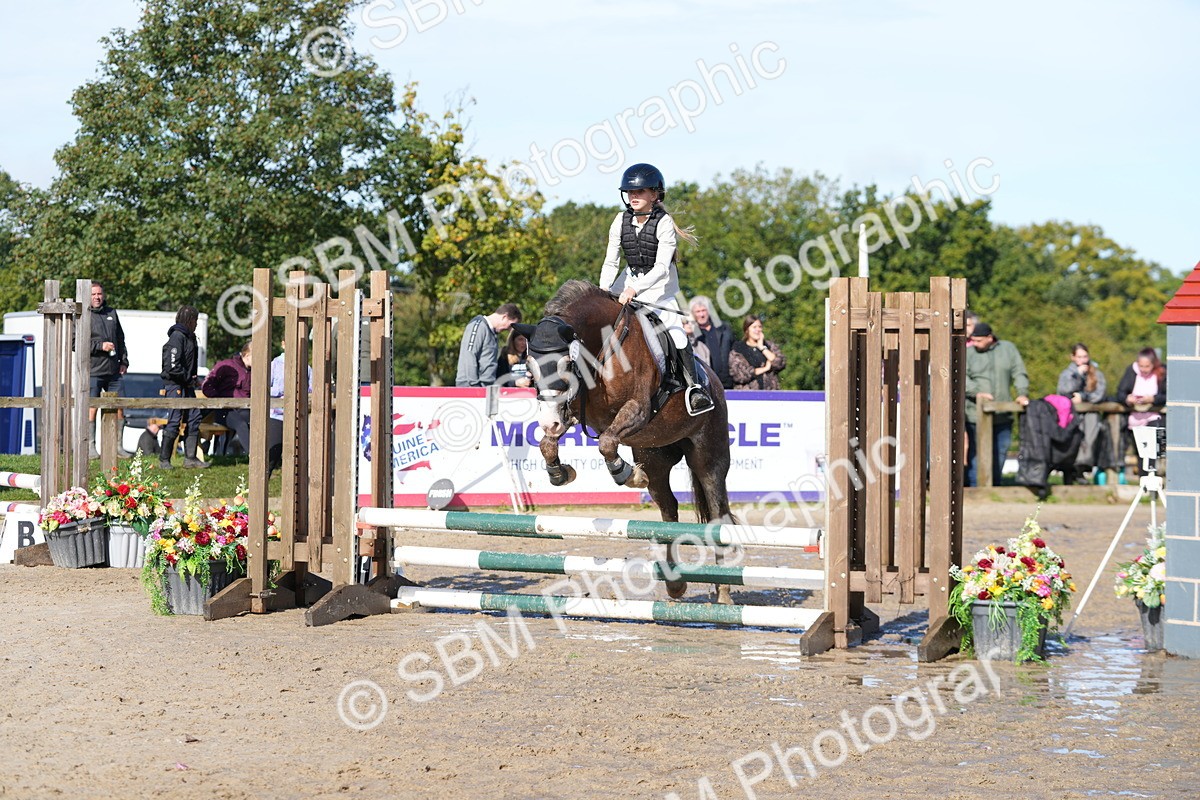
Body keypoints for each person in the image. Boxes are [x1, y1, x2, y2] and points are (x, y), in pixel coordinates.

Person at [600, 163, 712, 416]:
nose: (634, 197)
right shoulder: (619, 220)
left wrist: (635, 290)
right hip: (627, 281)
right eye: (630, 192)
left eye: (640, 192)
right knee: (600, 325)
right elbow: (611, 261)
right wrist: (603, 290)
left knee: (678, 335)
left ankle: (694, 389)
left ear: (655, 195)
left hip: (659, 289)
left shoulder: (663, 222)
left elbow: (662, 267)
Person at [965, 322, 1029, 486]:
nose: (975, 344)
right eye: (973, 340)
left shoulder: (1008, 349)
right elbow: (961, 377)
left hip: (1002, 414)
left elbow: (1019, 372)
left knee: (1000, 452)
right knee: (977, 452)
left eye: (979, 340)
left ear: (989, 338)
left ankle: (995, 486)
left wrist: (1022, 393)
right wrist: (976, 392)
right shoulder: (969, 353)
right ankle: (976, 487)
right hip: (975, 414)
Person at [1056, 343, 1113, 483]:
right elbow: (1064, 391)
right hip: (1070, 415)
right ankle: (1070, 472)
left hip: (1090, 414)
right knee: (1072, 441)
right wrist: (1078, 376)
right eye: (1079, 357)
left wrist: (1083, 397)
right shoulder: (1067, 374)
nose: (1083, 360)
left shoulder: (1096, 373)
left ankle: (1081, 468)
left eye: (1085, 356)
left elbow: (1099, 394)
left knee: (1089, 439)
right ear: (1073, 357)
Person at [159, 305, 208, 469]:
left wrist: (193, 379)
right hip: (175, 385)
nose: (196, 324)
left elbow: (189, 363)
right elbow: (171, 366)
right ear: (190, 320)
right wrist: (188, 377)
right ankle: (164, 460)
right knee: (174, 421)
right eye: (195, 320)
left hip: (187, 385)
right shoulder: (177, 337)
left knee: (194, 419)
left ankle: (190, 458)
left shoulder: (190, 337)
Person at [88, 282, 132, 459]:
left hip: (114, 370)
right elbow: (76, 343)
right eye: (93, 294)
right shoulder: (83, 315)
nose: (97, 297)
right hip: (93, 370)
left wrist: (124, 361)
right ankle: (90, 447)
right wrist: (100, 346)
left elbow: (121, 338)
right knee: (92, 408)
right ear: (87, 296)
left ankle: (118, 447)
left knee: (119, 406)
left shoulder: (111, 313)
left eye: (99, 294)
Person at [1117, 347, 1167, 474]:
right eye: (1141, 366)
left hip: (1155, 418)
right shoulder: (1131, 371)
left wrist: (1153, 399)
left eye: (1147, 366)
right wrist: (1128, 399)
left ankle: (1156, 484)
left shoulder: (1161, 372)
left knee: (1155, 452)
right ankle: (1144, 484)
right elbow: (1120, 393)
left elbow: (1168, 395)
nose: (1144, 369)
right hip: (1135, 420)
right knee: (1140, 454)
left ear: (1153, 364)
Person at [201, 342, 252, 454]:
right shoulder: (227, 366)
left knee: (259, 421)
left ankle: (270, 457)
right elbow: (207, 385)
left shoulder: (254, 372)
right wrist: (219, 399)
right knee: (241, 425)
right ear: (247, 355)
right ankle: (255, 458)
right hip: (224, 410)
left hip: (244, 409)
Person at [455, 304, 521, 387]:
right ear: (504, 317)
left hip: (487, 386)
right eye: (510, 325)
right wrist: (475, 386)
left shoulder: (493, 333)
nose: (509, 330)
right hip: (471, 386)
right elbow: (469, 356)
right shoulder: (478, 325)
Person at [727, 315, 786, 390]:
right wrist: (765, 368)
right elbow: (740, 375)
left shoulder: (769, 346)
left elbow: (780, 363)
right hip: (747, 395)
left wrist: (762, 348)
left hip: (770, 394)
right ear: (747, 329)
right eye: (754, 327)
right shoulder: (738, 349)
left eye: (760, 327)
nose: (758, 330)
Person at [689, 296, 732, 389]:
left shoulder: (724, 329)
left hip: (728, 382)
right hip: (706, 383)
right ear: (693, 314)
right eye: (698, 311)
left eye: (703, 310)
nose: (701, 314)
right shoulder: (692, 334)